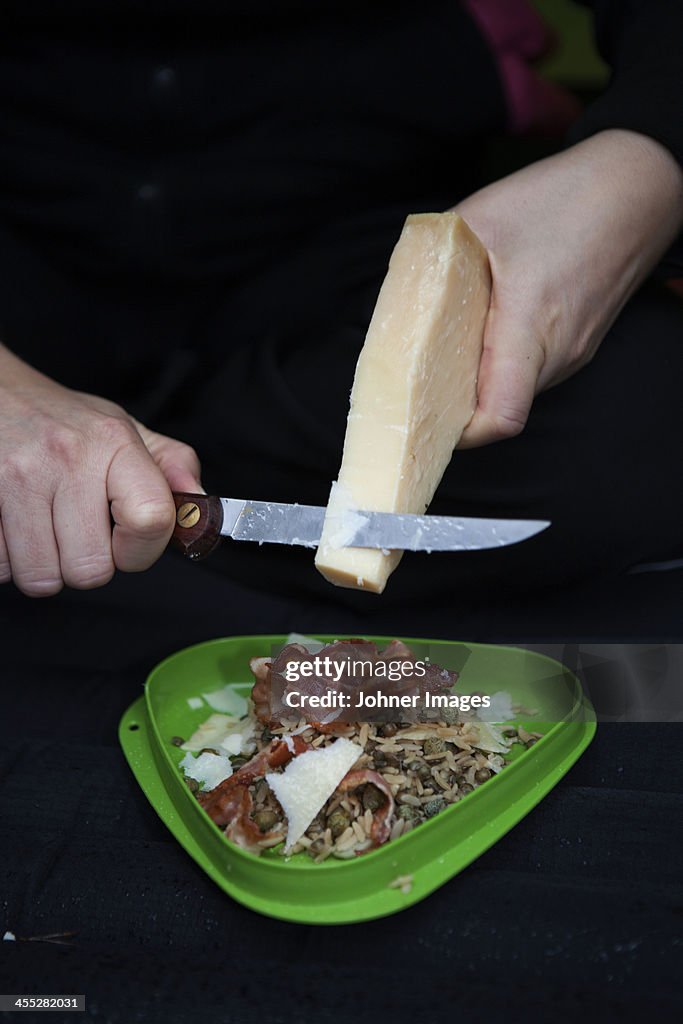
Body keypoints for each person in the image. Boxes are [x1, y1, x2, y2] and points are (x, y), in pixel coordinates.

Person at [0, 0, 681, 625]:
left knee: (648, 413)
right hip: (22, 276)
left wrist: (648, 160)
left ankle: (100, 541)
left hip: (352, 255)